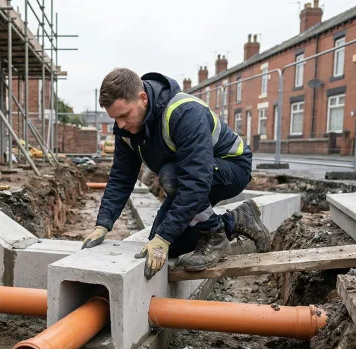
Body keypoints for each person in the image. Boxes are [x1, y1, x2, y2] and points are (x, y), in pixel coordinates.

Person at [81, 68, 270, 279]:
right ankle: (237, 220)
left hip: (231, 167)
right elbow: (121, 178)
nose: (120, 124)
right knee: (167, 244)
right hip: (185, 177)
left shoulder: (185, 112)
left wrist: (165, 236)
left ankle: (216, 236)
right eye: (115, 118)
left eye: (124, 115)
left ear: (143, 98)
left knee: (169, 181)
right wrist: (103, 224)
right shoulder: (126, 129)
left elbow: (196, 180)